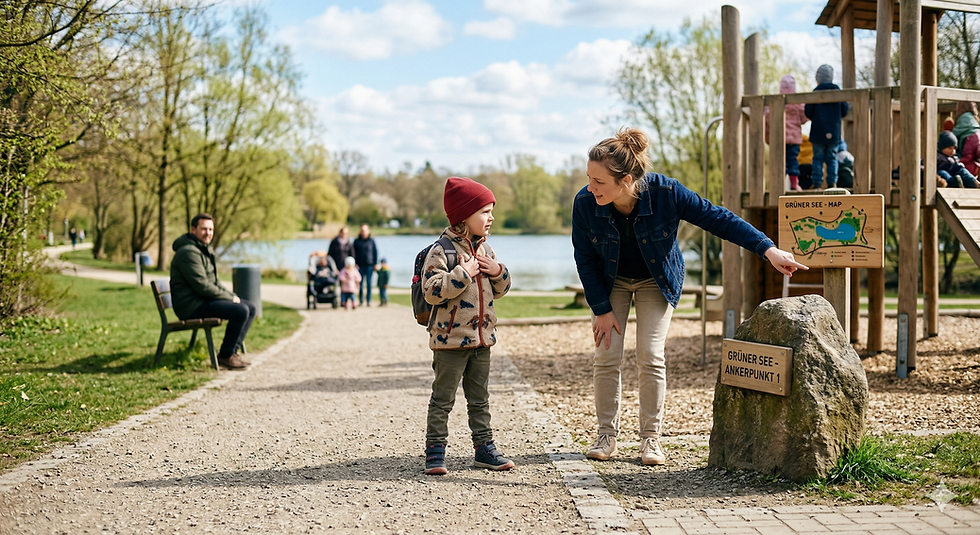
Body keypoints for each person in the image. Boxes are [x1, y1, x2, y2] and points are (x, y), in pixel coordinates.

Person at [571, 128, 807, 466]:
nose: (590, 187)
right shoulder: (585, 203)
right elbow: (585, 257)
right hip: (612, 282)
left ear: (625, 180)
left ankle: (650, 440)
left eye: (598, 181)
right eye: (589, 178)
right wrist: (602, 308)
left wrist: (767, 249)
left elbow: (718, 219)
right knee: (606, 356)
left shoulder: (667, 193)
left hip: (657, 280)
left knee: (650, 355)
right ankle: (606, 435)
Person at [421, 176, 514, 475]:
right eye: (485, 212)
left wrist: (498, 272)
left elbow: (500, 290)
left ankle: (484, 449)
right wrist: (463, 273)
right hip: (450, 340)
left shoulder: (486, 251)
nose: (491, 218)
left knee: (480, 398)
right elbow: (432, 290)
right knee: (442, 398)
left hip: (482, 339)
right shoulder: (442, 251)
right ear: (464, 216)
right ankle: (435, 452)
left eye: (491, 211)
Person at [170, 213, 256, 370]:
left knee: (250, 307)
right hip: (190, 306)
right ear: (193, 229)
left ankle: (231, 353)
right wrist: (230, 299)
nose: (208, 233)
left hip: (202, 301)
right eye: (204, 229)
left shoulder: (203, 249)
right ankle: (226, 355)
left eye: (210, 229)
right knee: (241, 310)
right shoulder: (188, 252)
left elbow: (214, 282)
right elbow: (202, 286)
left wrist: (231, 296)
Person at [804, 64, 849, 189]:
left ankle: (817, 183)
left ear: (818, 79)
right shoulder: (837, 91)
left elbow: (808, 112)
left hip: (818, 131)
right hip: (834, 132)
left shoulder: (815, 92)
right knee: (832, 158)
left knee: (817, 158)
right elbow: (844, 110)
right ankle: (832, 183)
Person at [765, 74, 806, 191]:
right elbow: (805, 116)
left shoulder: (773, 103)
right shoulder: (797, 102)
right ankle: (794, 184)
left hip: (778, 139)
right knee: (793, 161)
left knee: (779, 163)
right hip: (794, 139)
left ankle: (778, 185)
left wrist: (768, 138)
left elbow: (767, 120)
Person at [952, 101, 980, 177]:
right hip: (976, 136)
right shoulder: (973, 118)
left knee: (966, 162)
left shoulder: (963, 118)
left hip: (970, 139)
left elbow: (956, 132)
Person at [353, 224, 378, 306]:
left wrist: (375, 263)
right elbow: (353, 253)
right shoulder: (356, 241)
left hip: (369, 265)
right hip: (359, 265)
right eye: (362, 230)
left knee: (369, 283)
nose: (363, 232)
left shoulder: (371, 241)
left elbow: (375, 252)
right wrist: (354, 263)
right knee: (360, 283)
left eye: (365, 230)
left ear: (368, 231)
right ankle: (361, 300)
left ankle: (368, 300)